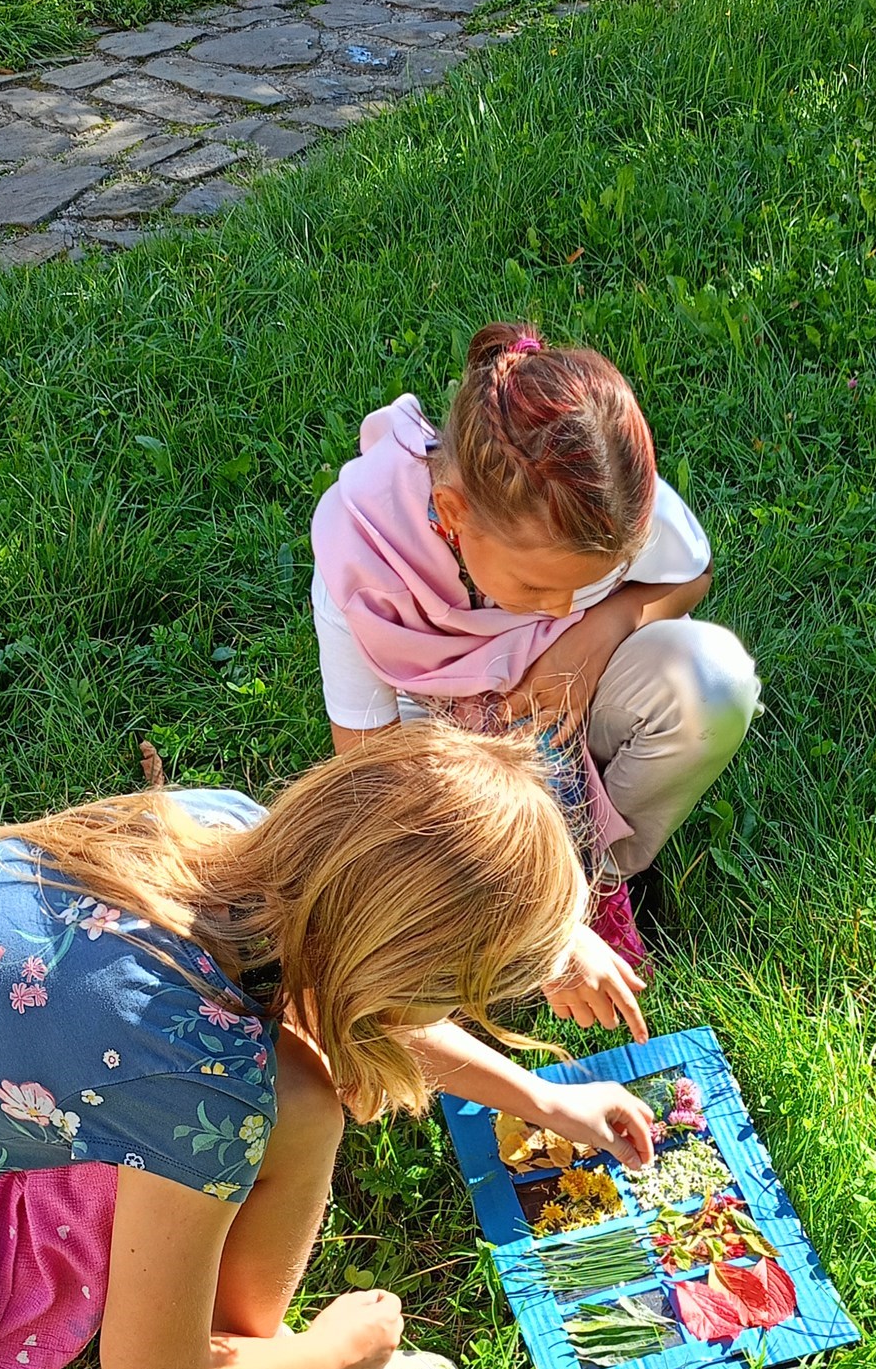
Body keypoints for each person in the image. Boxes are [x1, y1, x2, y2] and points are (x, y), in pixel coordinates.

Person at [0, 729, 655, 1369]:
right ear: (390, 978)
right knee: (297, 1101)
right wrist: (334, 1352)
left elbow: (327, 984)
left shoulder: (223, 827)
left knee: (280, 1078)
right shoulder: (196, 1081)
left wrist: (538, 1097)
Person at [310, 321, 760, 1040]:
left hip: (570, 702)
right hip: (438, 737)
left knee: (710, 680)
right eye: (535, 588)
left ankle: (601, 875)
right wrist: (521, 904)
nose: (559, 609)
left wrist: (598, 631)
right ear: (454, 517)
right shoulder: (363, 550)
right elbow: (371, 777)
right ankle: (523, 910)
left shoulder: (598, 491)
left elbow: (690, 571)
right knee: (403, 904)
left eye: (587, 586)